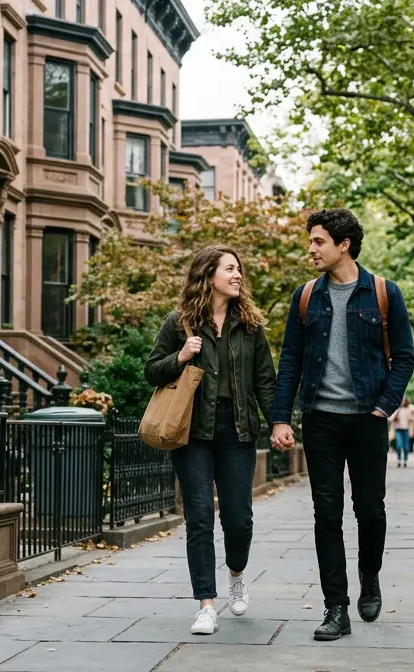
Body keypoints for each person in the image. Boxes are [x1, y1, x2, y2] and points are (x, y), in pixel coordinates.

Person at [269, 208, 414, 641]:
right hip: (321, 422)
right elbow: (290, 360)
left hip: (367, 421)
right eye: (311, 241)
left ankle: (370, 576)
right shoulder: (306, 296)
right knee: (326, 514)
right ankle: (337, 607)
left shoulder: (384, 293)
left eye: (318, 241)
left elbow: (404, 357)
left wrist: (382, 407)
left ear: (343, 244)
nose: (310, 248)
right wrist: (281, 417)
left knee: (370, 510)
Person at [144, 246, 278, 636]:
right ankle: (206, 603)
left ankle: (237, 573)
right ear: (209, 275)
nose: (238, 275)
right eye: (231, 269)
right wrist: (181, 356)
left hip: (237, 430)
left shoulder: (250, 326)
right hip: (193, 433)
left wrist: (280, 424)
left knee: (239, 519)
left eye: (239, 269)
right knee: (199, 517)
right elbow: (151, 370)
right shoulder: (179, 322)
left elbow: (265, 382)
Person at [390, 397, 414, 468]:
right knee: (399, 446)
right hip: (398, 430)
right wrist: (395, 417)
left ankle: (405, 460)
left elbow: (411, 420)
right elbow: (390, 419)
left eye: (403, 401)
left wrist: (411, 431)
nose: (402, 402)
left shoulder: (409, 409)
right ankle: (399, 460)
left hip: (406, 430)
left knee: (406, 447)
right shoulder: (397, 409)